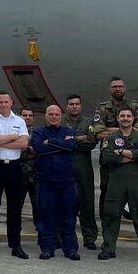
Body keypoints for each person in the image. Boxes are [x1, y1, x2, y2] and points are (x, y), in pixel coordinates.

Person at [98, 108, 138, 262]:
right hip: (116, 183)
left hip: (136, 183)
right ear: (118, 119)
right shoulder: (110, 138)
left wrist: (120, 152)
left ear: (133, 119)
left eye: (128, 116)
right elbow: (108, 156)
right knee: (111, 216)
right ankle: (108, 248)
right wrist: (132, 155)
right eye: (122, 116)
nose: (125, 118)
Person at [90, 77, 138, 218]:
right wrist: (126, 129)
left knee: (134, 191)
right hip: (109, 158)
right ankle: (106, 222)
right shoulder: (102, 107)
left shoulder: (134, 105)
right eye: (115, 87)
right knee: (107, 190)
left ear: (125, 88)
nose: (118, 89)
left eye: (120, 86)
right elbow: (97, 132)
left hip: (132, 157)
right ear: (110, 89)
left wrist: (109, 131)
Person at [0, 91, 30, 259]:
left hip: (14, 167)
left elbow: (24, 143)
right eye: (0, 102)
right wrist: (12, 137)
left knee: (14, 208)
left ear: (12, 102)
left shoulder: (19, 121)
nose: (3, 105)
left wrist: (1, 140)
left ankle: (15, 245)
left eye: (6, 102)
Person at [29, 105, 79, 260]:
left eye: (57, 114)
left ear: (61, 116)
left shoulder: (68, 131)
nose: (54, 116)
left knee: (68, 216)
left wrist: (49, 142)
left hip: (66, 181)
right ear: (45, 116)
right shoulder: (38, 131)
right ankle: (47, 248)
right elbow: (37, 148)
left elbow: (70, 146)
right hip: (46, 181)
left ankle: (70, 249)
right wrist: (60, 145)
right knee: (46, 216)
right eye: (51, 114)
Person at [61, 94, 100, 250]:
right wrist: (79, 139)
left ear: (81, 106)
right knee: (65, 204)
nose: (74, 106)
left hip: (83, 168)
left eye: (77, 104)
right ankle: (65, 236)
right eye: (71, 104)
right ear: (67, 106)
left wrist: (69, 142)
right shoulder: (61, 122)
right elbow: (58, 141)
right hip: (65, 167)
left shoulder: (89, 122)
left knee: (87, 203)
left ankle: (89, 237)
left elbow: (91, 142)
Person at [19, 108, 39, 235]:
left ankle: (42, 234)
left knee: (38, 206)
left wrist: (23, 148)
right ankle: (14, 235)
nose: (27, 117)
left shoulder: (39, 133)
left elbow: (41, 150)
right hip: (18, 175)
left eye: (30, 115)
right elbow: (13, 152)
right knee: (16, 206)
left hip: (36, 175)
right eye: (24, 115)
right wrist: (31, 150)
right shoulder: (15, 132)